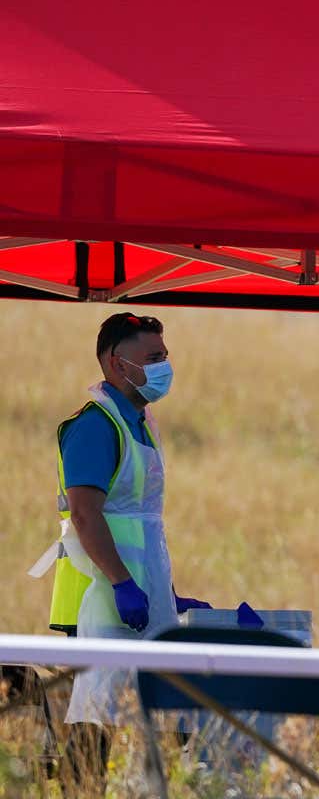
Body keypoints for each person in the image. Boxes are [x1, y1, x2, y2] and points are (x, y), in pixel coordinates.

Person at [47, 313, 208, 793]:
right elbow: (85, 516)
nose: (164, 367)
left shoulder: (139, 421)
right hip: (100, 596)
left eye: (165, 356)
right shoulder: (96, 426)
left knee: (160, 714)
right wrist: (122, 583)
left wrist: (167, 593)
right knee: (94, 716)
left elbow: (140, 523)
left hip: (138, 594)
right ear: (118, 364)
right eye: (153, 358)